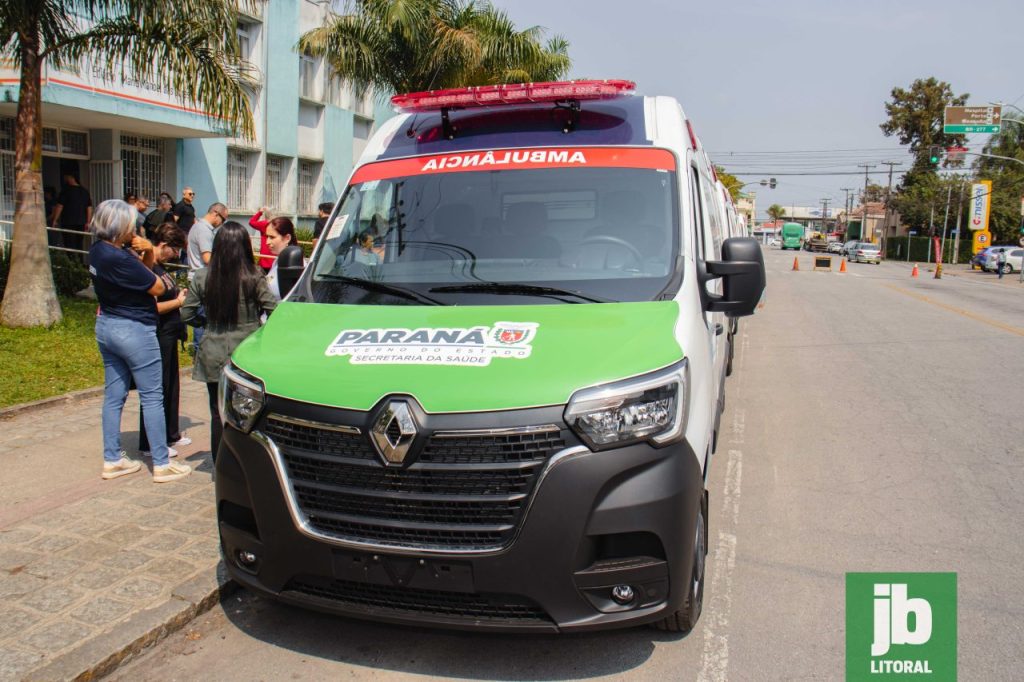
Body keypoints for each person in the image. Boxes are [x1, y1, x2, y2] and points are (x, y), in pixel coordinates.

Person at [87, 200, 192, 483]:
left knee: (114, 397)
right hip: (134, 330)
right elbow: (156, 287)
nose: (135, 228)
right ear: (120, 225)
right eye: (131, 223)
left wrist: (146, 252)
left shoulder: (98, 251)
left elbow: (144, 273)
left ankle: (112, 459)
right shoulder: (120, 258)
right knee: (153, 395)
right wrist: (144, 256)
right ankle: (161, 462)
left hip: (107, 326)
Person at [182, 222, 277, 458]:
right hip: (247, 351)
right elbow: (273, 310)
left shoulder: (203, 276)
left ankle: (219, 463)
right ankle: (247, 461)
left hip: (213, 346)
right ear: (245, 246)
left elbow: (186, 313)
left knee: (216, 412)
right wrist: (259, 330)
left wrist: (206, 325)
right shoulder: (254, 275)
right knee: (250, 410)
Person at [137, 222, 192, 458]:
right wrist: (178, 302)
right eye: (175, 249)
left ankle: (170, 433)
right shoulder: (147, 267)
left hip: (170, 333)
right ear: (164, 245)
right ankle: (150, 442)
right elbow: (151, 307)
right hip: (158, 334)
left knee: (171, 385)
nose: (177, 255)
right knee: (157, 387)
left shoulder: (160, 267)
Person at [187, 203, 229, 355]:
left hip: (197, 277)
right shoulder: (204, 230)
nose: (222, 224)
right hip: (203, 278)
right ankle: (201, 352)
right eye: (223, 219)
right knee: (203, 317)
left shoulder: (197, 227)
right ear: (216, 213)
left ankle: (200, 350)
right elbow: (207, 258)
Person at [52, 173, 93, 257]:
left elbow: (60, 206)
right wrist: (88, 222)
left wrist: (55, 220)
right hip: (81, 222)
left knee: (69, 245)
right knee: (79, 244)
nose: (64, 178)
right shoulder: (84, 191)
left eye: (66, 176)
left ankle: (73, 265)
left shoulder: (66, 191)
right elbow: (89, 208)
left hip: (68, 222)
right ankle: (80, 264)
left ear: (71, 177)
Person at [264, 217, 304, 300]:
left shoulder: (298, 265)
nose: (267, 242)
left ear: (287, 238)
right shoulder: (277, 261)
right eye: (267, 237)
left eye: (272, 237)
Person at [248, 206, 276, 271]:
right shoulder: (279, 224)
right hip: (276, 258)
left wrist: (260, 212)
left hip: (265, 260)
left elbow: (251, 222)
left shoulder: (264, 224)